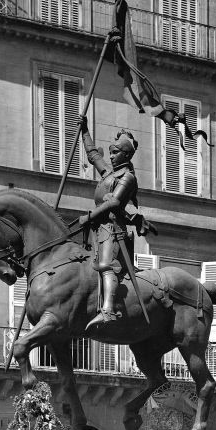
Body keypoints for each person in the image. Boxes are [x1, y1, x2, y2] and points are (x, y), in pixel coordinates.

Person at [78, 118, 139, 331]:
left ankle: (108, 310)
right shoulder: (109, 174)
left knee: (105, 265)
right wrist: (84, 130)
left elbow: (114, 202)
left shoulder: (128, 177)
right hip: (97, 228)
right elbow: (94, 155)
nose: (111, 156)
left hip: (112, 229)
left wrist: (90, 217)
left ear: (127, 155)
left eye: (115, 153)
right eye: (111, 153)